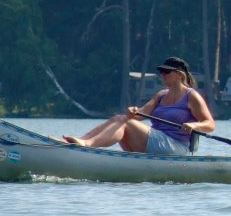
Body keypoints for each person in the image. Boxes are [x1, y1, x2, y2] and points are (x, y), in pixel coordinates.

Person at [63, 57, 215, 154]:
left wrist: (194, 126)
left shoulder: (192, 96)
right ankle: (80, 141)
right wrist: (133, 112)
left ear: (179, 75)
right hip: (158, 142)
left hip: (177, 146)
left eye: (166, 72)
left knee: (126, 123)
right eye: (161, 72)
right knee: (120, 118)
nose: (162, 75)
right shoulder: (161, 95)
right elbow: (139, 115)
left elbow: (210, 124)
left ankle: (87, 145)